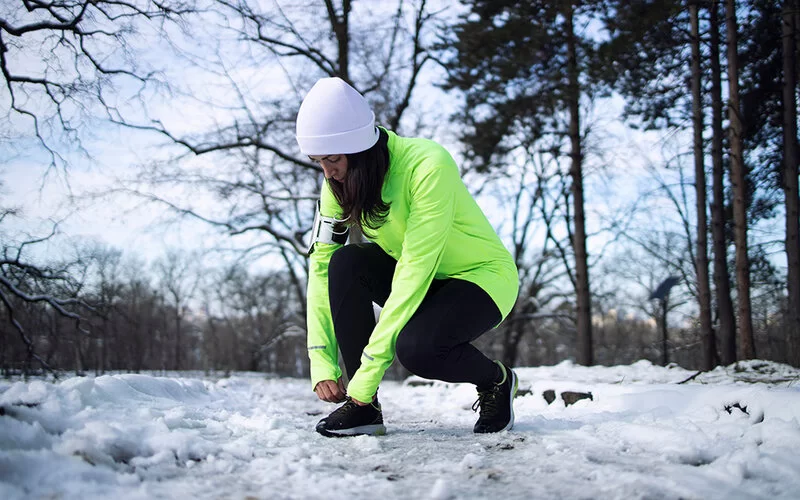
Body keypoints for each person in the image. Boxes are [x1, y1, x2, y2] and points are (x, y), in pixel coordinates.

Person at [297, 77, 520, 437]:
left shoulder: (428, 165)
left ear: (359, 148)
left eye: (333, 159)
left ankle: (497, 380)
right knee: (345, 263)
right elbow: (321, 265)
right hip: (420, 276)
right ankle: (364, 410)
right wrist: (321, 361)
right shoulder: (337, 186)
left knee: (418, 350)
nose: (327, 172)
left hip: (481, 278)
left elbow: (416, 267)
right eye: (317, 161)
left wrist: (369, 374)